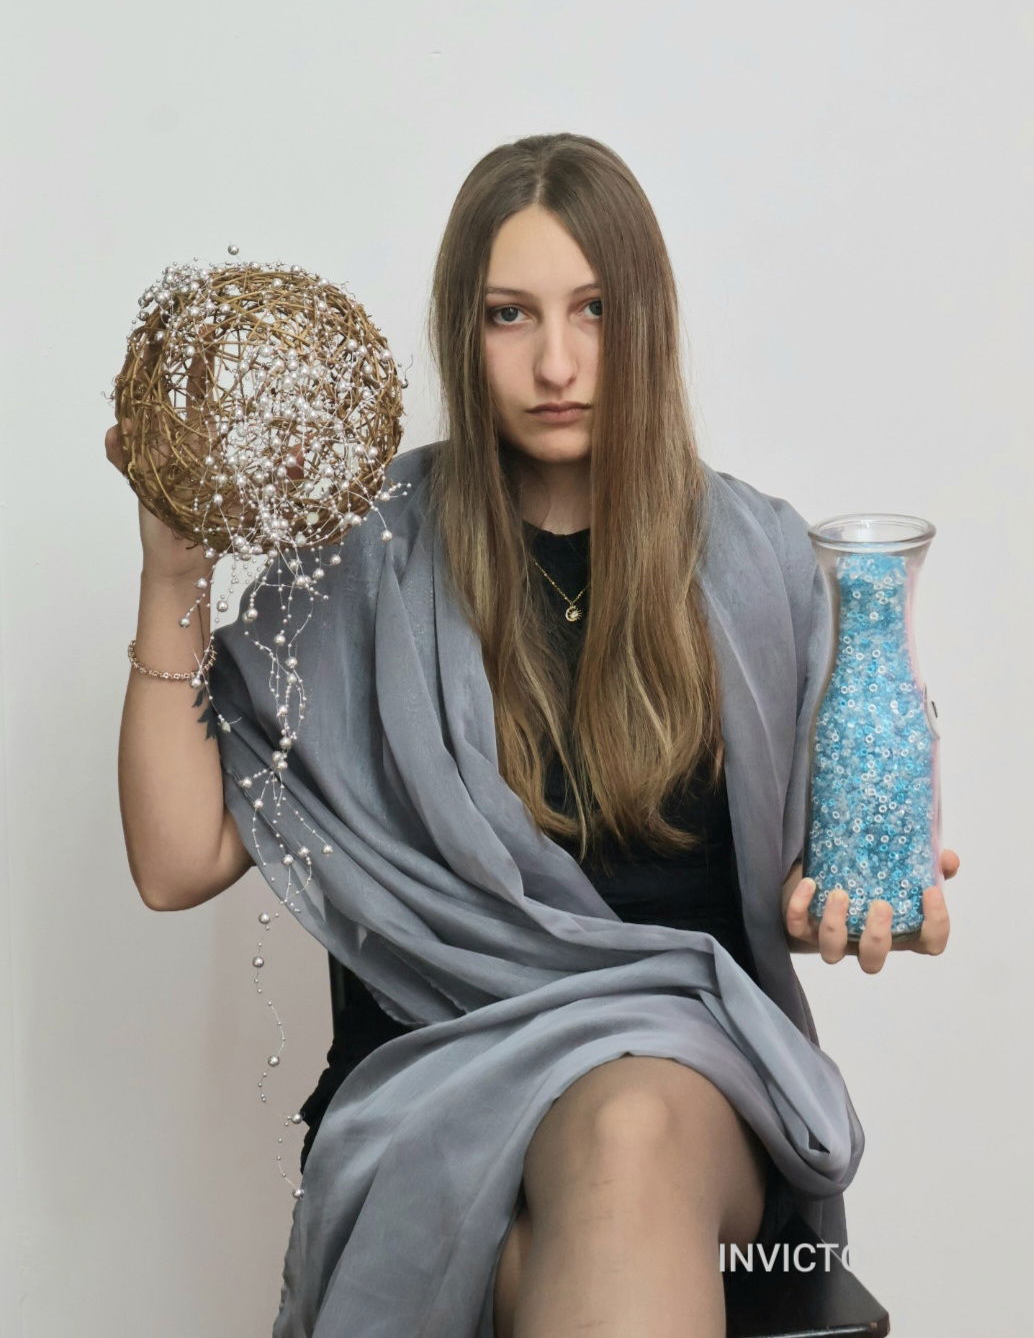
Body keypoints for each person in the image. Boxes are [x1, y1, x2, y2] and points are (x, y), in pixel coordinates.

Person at [108, 132, 959, 1338]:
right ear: (462, 330)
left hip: (680, 1083)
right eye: (509, 316)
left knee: (625, 1128)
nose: (556, 363)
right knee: (558, 1244)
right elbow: (175, 861)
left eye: (592, 311)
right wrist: (172, 570)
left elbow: (818, 876)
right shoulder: (364, 559)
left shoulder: (758, 559)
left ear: (647, 319)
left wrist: (863, 900)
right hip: (428, 1084)